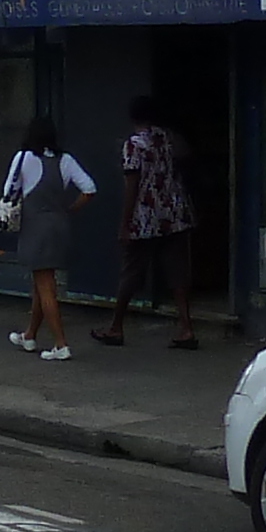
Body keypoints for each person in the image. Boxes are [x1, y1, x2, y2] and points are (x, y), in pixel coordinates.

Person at [95, 94, 199, 350]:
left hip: (145, 216)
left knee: (131, 271)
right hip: (175, 212)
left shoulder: (134, 145)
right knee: (177, 272)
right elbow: (186, 157)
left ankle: (116, 326)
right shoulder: (168, 138)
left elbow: (133, 184)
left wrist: (125, 222)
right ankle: (186, 328)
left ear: (132, 117)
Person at [0, 116, 98, 363]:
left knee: (46, 287)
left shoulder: (24, 158)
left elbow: (8, 192)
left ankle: (61, 344)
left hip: (35, 227)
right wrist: (70, 209)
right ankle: (29, 335)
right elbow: (90, 189)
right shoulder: (66, 160)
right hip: (59, 225)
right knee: (41, 282)